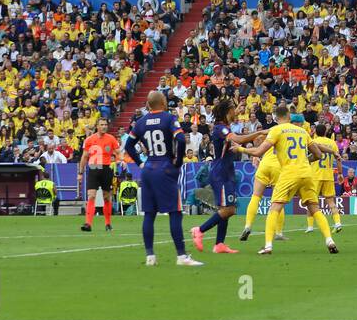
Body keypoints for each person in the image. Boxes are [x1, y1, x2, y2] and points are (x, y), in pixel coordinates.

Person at [235, 106, 337, 255]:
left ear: (275, 117)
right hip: (307, 173)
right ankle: (329, 240)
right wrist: (306, 160)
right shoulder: (303, 132)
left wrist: (240, 149)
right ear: (289, 116)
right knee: (314, 208)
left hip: (289, 173)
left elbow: (258, 152)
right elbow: (319, 155)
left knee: (274, 207)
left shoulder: (277, 130)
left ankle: (268, 245)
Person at [124, 91, 203, 267]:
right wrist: (178, 160)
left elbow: (128, 145)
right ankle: (181, 256)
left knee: (149, 214)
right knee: (175, 212)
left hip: (149, 168)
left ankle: (150, 256)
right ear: (162, 102)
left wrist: (140, 163)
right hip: (165, 167)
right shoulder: (168, 118)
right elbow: (181, 139)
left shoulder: (140, 122)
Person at [190, 99, 258, 255]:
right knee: (229, 209)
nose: (236, 111)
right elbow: (239, 139)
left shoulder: (225, 128)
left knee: (226, 208)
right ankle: (199, 230)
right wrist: (260, 132)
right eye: (233, 108)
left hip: (227, 172)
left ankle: (219, 244)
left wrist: (234, 150)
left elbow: (229, 147)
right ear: (227, 111)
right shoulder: (221, 128)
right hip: (220, 173)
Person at [78, 117, 120, 232]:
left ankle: (108, 223)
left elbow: (118, 153)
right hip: (93, 168)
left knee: (107, 197)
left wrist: (120, 161)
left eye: (105, 124)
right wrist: (80, 173)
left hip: (106, 169)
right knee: (91, 195)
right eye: (102, 124)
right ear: (97, 126)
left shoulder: (111, 139)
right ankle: (88, 224)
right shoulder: (89, 140)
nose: (104, 126)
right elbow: (84, 157)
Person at [307, 114, 345, 237]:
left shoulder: (313, 142)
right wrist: (340, 173)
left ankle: (310, 226)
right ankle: (338, 223)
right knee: (330, 201)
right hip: (328, 175)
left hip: (315, 175)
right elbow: (338, 159)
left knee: (312, 201)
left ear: (316, 132)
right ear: (326, 132)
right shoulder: (332, 143)